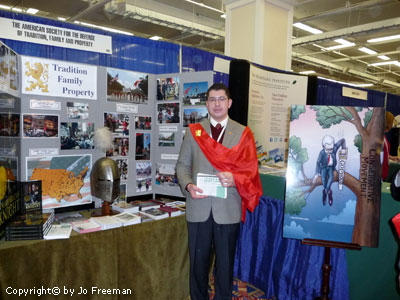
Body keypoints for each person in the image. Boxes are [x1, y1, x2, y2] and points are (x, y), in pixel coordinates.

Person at [176, 83, 262, 300]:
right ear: (206, 104)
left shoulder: (243, 133)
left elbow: (251, 170)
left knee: (225, 266)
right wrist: (188, 186)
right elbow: (182, 166)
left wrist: (234, 179)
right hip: (199, 207)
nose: (217, 104)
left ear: (229, 103)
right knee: (198, 265)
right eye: (212, 99)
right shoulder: (194, 132)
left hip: (227, 210)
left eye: (221, 99)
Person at [313, 135, 347, 206]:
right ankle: (328, 191)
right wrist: (316, 173)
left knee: (331, 178)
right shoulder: (322, 153)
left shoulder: (334, 148)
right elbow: (318, 162)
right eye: (327, 149)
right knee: (323, 178)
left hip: (331, 167)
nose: (329, 151)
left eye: (331, 149)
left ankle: (325, 191)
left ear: (333, 146)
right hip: (324, 167)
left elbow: (343, 140)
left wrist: (343, 148)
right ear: (323, 146)